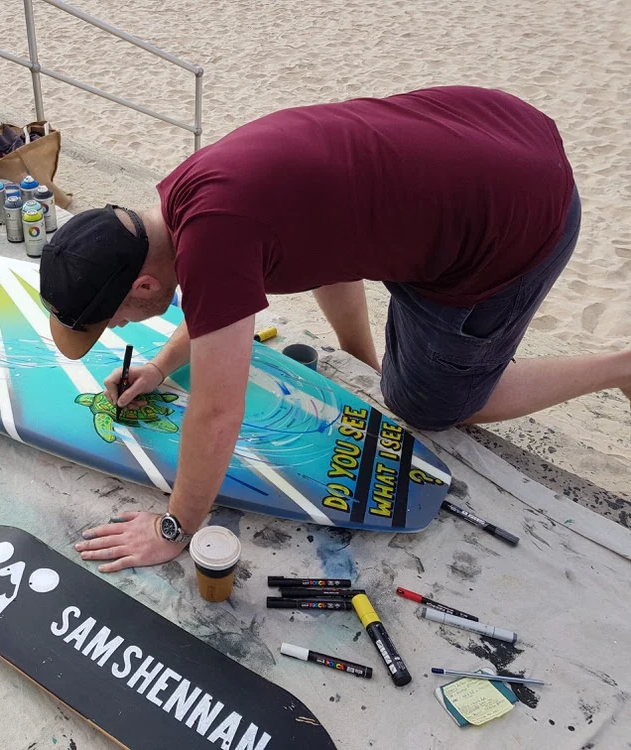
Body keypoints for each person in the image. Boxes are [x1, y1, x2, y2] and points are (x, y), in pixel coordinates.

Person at [38, 86, 630, 573]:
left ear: (142, 286)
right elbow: (318, 260)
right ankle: (372, 360)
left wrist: (176, 526)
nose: (118, 328)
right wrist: (164, 366)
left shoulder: (214, 243)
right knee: (386, 366)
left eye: (113, 319)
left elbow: (217, 414)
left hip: (516, 222)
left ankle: (620, 366)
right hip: (502, 130)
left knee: (427, 404)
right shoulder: (186, 197)